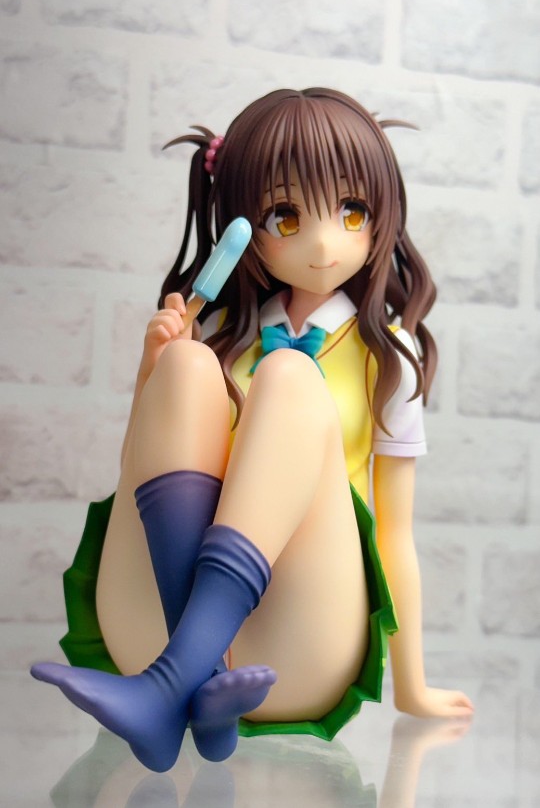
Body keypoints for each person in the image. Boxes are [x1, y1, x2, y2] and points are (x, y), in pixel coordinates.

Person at [31, 88, 473, 773]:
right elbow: (132, 479)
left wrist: (411, 686)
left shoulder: (385, 354)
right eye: (285, 216)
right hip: (155, 621)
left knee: (289, 377)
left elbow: (394, 533)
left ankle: (169, 687)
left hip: (300, 639)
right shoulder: (218, 334)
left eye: (352, 212)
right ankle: (190, 676)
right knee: (186, 366)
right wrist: (153, 373)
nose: (323, 243)